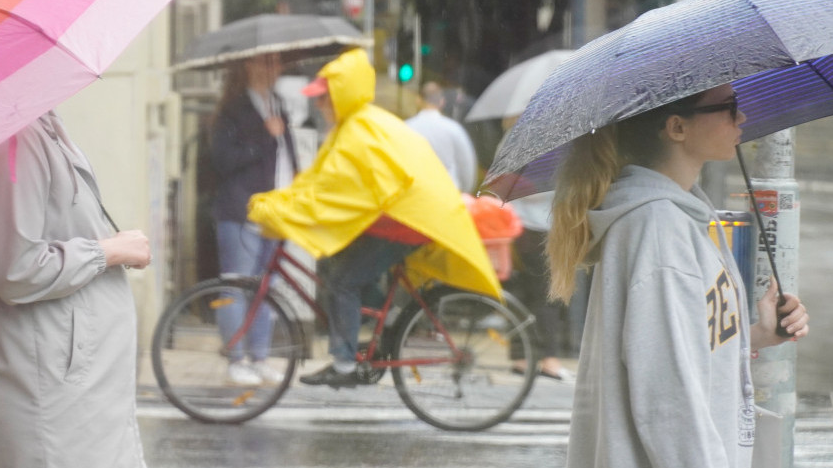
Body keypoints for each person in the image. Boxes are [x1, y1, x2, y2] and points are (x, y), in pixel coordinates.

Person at [547, 83, 810, 467]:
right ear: (677, 128)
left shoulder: (681, 220)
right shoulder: (658, 229)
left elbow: (674, 349)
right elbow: (669, 403)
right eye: (728, 107)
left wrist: (753, 335)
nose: (742, 117)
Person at [248, 48, 499, 387]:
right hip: (402, 216)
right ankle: (379, 329)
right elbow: (318, 181)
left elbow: (335, 192)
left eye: (324, 99)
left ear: (340, 96)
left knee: (341, 281)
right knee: (338, 267)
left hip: (409, 220)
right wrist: (280, 202)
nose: (319, 106)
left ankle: (345, 364)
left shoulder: (357, 133)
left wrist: (281, 210)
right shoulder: (352, 126)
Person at [0, 111, 152, 468]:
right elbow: (15, 268)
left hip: (57, 373)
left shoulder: (35, 128)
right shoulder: (15, 139)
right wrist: (108, 251)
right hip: (45, 376)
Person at [209, 52, 297, 387]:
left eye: (278, 62)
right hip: (240, 210)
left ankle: (259, 357)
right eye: (267, 62)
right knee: (235, 285)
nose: (275, 68)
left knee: (264, 288)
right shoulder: (233, 109)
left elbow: (286, 155)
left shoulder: (276, 103)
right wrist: (264, 135)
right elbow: (222, 159)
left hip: (274, 210)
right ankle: (236, 359)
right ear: (249, 66)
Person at [506, 191, 573, 381]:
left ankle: (521, 358)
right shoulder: (553, 162)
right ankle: (549, 360)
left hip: (517, 224)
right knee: (548, 296)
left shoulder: (516, 160)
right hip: (545, 225)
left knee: (523, 295)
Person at [406, 81, 478, 192]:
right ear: (442, 102)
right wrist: (464, 192)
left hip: (414, 195)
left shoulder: (405, 128)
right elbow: (466, 167)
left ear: (418, 100)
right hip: (448, 195)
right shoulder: (455, 129)